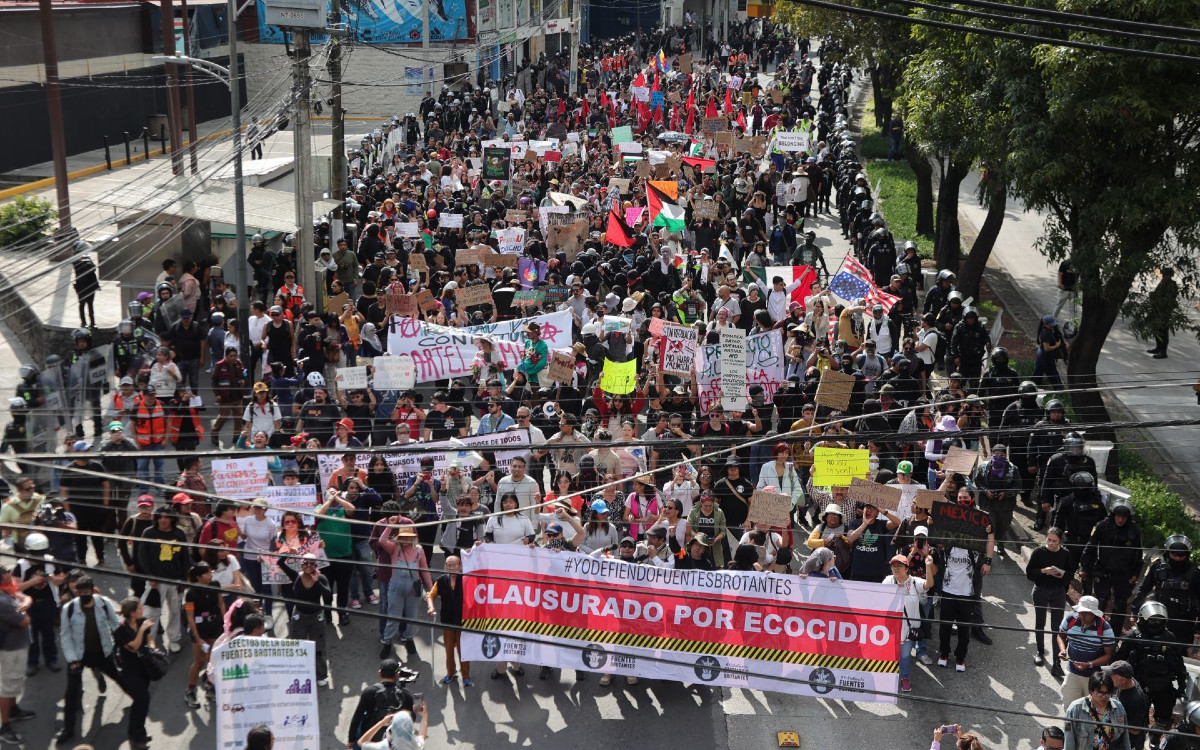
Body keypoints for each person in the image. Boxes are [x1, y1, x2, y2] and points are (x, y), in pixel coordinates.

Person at [58, 575, 125, 745]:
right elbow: (65, 635)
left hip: (102, 652)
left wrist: (124, 646)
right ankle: (68, 729)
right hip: (79, 655)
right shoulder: (69, 608)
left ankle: (138, 699)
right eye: (80, 593)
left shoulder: (103, 603)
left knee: (119, 677)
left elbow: (116, 625)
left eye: (87, 592)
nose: (84, 596)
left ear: (93, 590)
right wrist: (72, 658)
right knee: (71, 693)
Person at [1116, 601, 1188, 740]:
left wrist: (1182, 685)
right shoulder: (1133, 636)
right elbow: (1117, 660)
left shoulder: (1169, 637)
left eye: (1158, 620)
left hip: (1164, 686)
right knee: (1137, 721)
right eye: (1152, 619)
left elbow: (1179, 664)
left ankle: (1155, 737)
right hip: (1139, 686)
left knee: (1164, 718)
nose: (1155, 623)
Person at [1080, 499, 1141, 636]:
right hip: (1103, 570)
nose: (1120, 520)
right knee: (1100, 601)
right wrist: (1085, 568)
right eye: (1118, 516)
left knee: (1120, 605)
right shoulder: (1102, 526)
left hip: (1124, 573)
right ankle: (1094, 631)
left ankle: (1113, 635)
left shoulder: (1134, 530)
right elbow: (1090, 548)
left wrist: (1135, 573)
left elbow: (1138, 554)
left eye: (1123, 517)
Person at [137, 506, 189, 653]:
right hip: (156, 582)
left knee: (174, 612)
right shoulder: (149, 533)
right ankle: (149, 642)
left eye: (166, 517)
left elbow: (185, 558)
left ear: (172, 518)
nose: (163, 520)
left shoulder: (179, 534)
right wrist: (149, 576)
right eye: (160, 517)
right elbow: (142, 556)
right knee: (151, 613)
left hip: (175, 581)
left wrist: (184, 580)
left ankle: (173, 639)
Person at [377, 525, 432, 659]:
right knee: (393, 617)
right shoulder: (394, 549)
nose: (406, 540)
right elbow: (382, 540)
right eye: (403, 537)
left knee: (412, 617)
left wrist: (431, 589)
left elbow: (424, 570)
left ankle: (408, 639)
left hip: (414, 590)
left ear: (413, 538)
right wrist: (390, 526)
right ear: (399, 538)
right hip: (396, 588)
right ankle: (387, 642)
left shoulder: (419, 551)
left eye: (409, 537)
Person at [884, 552, 935, 693]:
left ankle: (904, 678)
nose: (896, 568)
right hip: (891, 629)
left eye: (899, 566)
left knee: (905, 656)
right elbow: (880, 597)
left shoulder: (914, 582)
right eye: (893, 566)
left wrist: (928, 566)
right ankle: (889, 679)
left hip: (908, 630)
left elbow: (929, 584)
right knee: (890, 656)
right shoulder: (888, 581)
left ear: (906, 568)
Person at [1027, 528, 1075, 677]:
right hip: (1041, 590)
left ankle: (1056, 662)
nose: (1051, 543)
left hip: (1058, 592)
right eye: (1049, 540)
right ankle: (1040, 652)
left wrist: (1062, 575)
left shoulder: (1065, 554)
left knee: (1057, 627)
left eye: (1055, 541)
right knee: (1040, 622)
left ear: (1060, 540)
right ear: (1046, 538)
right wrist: (1043, 571)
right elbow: (1029, 573)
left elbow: (1070, 574)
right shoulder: (1038, 552)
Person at [1058, 595, 1116, 706]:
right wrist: (1062, 650)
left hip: (1093, 677)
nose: (1082, 615)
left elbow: (1109, 655)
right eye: (1080, 612)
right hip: (1072, 672)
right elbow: (1061, 636)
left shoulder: (1104, 628)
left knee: (1091, 709)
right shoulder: (1070, 619)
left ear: (1094, 613)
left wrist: (1089, 664)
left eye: (1087, 613)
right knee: (1069, 705)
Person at [346, 658, 415, 750]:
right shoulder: (406, 694)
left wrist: (351, 740)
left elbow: (357, 718)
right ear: (397, 675)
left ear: (380, 673)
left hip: (371, 738)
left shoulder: (369, 692)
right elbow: (410, 719)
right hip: (395, 742)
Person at [114, 597, 155, 749]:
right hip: (130, 671)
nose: (142, 610)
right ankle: (137, 735)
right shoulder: (120, 631)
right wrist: (142, 630)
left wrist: (152, 648)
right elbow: (134, 646)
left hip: (144, 667)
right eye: (139, 609)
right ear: (132, 613)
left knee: (141, 702)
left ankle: (137, 732)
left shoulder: (142, 621)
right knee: (142, 700)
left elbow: (150, 639)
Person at [0, 564, 34, 746]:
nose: (9, 576)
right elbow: (25, 620)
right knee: (7, 687)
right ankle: (4, 727)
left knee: (13, 683)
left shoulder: (7, 591)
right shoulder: (3, 601)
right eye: (6, 574)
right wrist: (25, 607)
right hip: (10, 650)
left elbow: (25, 597)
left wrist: (25, 603)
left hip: (16, 647)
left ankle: (13, 711)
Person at [183, 562, 226, 708]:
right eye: (207, 573)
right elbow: (190, 616)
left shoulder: (215, 585)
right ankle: (190, 690)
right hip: (199, 629)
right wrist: (198, 638)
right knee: (199, 660)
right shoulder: (191, 593)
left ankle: (210, 686)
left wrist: (226, 625)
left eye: (210, 572)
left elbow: (221, 604)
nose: (210, 575)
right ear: (198, 577)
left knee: (214, 658)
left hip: (215, 626)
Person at [426, 555, 469, 686]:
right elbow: (430, 595)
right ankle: (450, 673)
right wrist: (431, 606)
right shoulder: (441, 581)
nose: (450, 567)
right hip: (448, 620)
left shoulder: (466, 580)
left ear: (460, 566)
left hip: (463, 622)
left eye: (453, 565)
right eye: (448, 565)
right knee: (449, 650)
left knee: (464, 651)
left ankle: (466, 676)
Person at [1062, 671, 1131, 750]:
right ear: (1091, 691)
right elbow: (1069, 741)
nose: (1104, 697)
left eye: (1108, 693)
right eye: (1100, 693)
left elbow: (1125, 738)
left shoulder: (1118, 708)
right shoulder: (1075, 709)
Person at [1106, 660, 1150, 750]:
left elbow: (1135, 730)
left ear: (1123, 680)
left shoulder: (1135, 701)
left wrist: (1114, 721)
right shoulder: (1123, 685)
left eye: (1112, 677)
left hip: (1129, 742)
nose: (1109, 678)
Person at [1144, 267, 1177, 358]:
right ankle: (1158, 348)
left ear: (1170, 275)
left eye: (1166, 275)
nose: (1164, 276)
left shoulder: (1171, 285)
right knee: (1157, 329)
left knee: (1163, 331)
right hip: (1157, 310)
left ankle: (1163, 351)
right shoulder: (1163, 282)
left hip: (1164, 311)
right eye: (1163, 275)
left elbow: (1169, 299)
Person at [356, 707, 428, 750]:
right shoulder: (416, 744)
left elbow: (361, 742)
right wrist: (424, 715)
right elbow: (422, 735)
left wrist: (381, 723)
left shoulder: (385, 746)